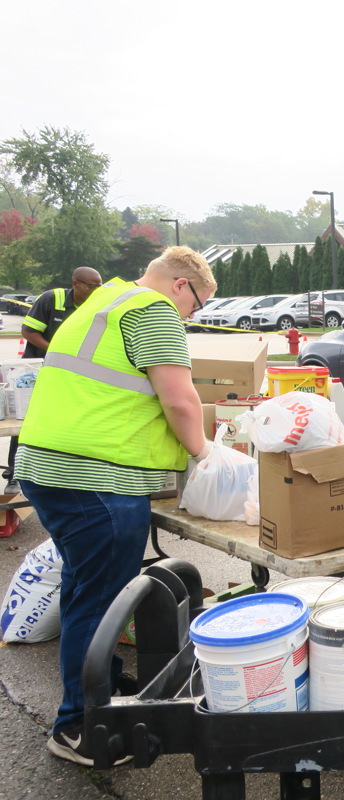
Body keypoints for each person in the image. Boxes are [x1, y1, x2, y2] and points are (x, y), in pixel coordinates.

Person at [15, 247, 216, 766]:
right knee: (99, 603)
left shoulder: (102, 302)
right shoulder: (153, 311)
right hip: (95, 479)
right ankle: (82, 727)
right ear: (180, 285)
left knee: (85, 591)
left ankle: (94, 693)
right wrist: (207, 454)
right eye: (196, 304)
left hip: (50, 468)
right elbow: (179, 399)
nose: (192, 316)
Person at [2, 267, 105, 491]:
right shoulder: (52, 299)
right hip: (36, 373)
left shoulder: (96, 306)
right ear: (76, 283)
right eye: (91, 286)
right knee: (26, 423)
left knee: (68, 422)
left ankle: (63, 477)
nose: (96, 290)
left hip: (71, 375)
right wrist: (56, 352)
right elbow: (29, 331)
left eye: (99, 286)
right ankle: (15, 475)